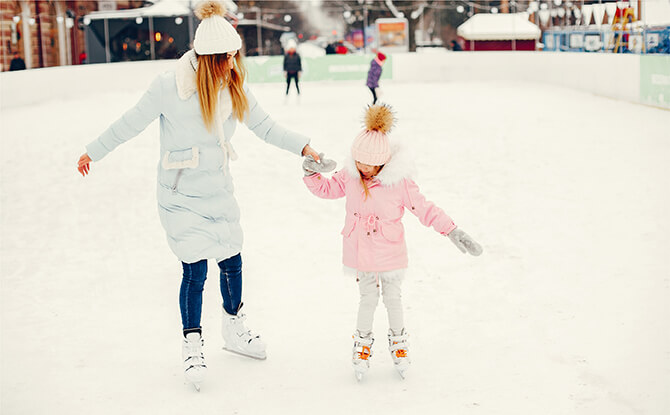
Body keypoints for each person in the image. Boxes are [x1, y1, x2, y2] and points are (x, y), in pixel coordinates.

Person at [76, 0, 329, 390]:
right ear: (208, 58)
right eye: (227, 57)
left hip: (217, 188)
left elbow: (265, 125)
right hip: (179, 194)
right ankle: (192, 343)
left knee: (233, 258)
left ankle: (234, 327)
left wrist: (304, 146)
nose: (233, 63)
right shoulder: (169, 86)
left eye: (235, 56)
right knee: (195, 268)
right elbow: (130, 123)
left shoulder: (233, 85)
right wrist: (94, 149)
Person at [301, 104, 482, 381]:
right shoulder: (350, 176)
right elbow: (326, 189)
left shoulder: (398, 182)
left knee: (393, 298)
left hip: (390, 252)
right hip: (361, 251)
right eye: (358, 161)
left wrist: (452, 230)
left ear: (382, 161)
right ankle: (362, 344)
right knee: (367, 298)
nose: (362, 168)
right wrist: (311, 174)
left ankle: (399, 344)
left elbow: (425, 209)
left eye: (368, 164)